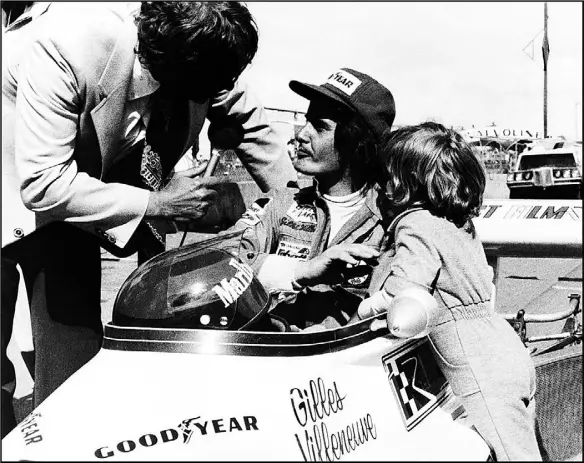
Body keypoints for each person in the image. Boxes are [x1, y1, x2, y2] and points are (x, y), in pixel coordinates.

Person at [1, 1, 297, 437]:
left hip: (74, 208)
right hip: (20, 182)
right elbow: (43, 184)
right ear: (172, 69)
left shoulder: (204, 55)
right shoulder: (67, 44)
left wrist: (302, 213)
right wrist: (160, 203)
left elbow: (254, 128)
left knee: (73, 373)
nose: (219, 96)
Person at [351, 122, 541, 461]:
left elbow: (403, 291)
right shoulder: (458, 224)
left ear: (400, 185)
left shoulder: (414, 225)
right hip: (505, 346)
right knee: (522, 446)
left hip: (476, 364)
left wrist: (364, 313)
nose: (377, 191)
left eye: (383, 181)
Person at [230, 68, 396, 330]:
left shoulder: (392, 221)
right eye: (306, 122)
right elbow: (223, 260)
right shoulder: (280, 202)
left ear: (356, 141)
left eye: (319, 126)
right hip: (271, 354)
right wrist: (301, 271)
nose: (301, 135)